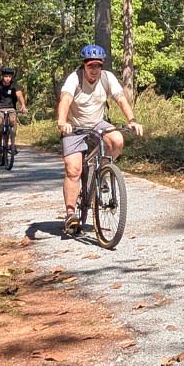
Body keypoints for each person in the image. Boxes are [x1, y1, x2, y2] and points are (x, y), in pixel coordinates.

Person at [56, 45, 143, 231]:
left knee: (117, 139)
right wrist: (62, 121)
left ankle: (102, 171)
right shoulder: (74, 79)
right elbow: (65, 100)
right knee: (73, 170)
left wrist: (132, 120)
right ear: (84, 65)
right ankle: (70, 214)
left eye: (98, 66)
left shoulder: (107, 77)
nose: (94, 70)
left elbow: (120, 99)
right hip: (74, 126)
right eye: (91, 66)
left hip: (97, 123)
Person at [0, 67, 27, 155]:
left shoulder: (14, 85)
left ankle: (13, 144)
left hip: (11, 108)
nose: (8, 78)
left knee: (13, 121)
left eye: (10, 77)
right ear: (3, 76)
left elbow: (19, 95)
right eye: (6, 76)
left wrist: (23, 106)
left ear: (12, 77)